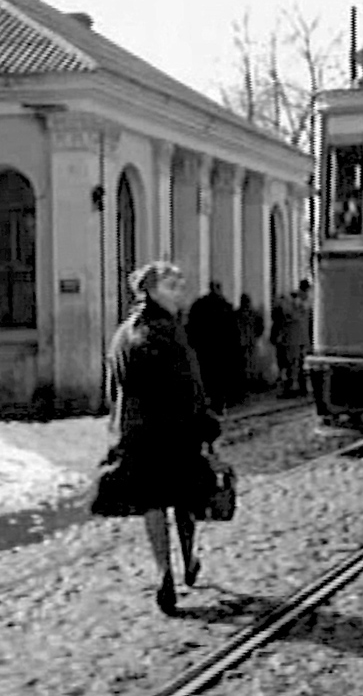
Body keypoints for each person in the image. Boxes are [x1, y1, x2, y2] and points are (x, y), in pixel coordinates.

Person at [101, 261, 221, 615]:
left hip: (137, 431)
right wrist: (206, 426)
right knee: (184, 498)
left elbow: (113, 386)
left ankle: (163, 572)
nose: (178, 292)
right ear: (151, 291)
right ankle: (187, 562)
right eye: (171, 286)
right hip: (174, 429)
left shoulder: (122, 333)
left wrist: (118, 424)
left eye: (180, 285)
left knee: (153, 503)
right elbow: (189, 387)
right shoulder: (170, 332)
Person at [186, 281, 235, 413]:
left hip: (204, 347)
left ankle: (207, 402)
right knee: (220, 376)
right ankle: (218, 403)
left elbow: (191, 326)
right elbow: (232, 330)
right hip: (221, 348)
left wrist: (192, 343)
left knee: (206, 375)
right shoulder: (224, 306)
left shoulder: (199, 305)